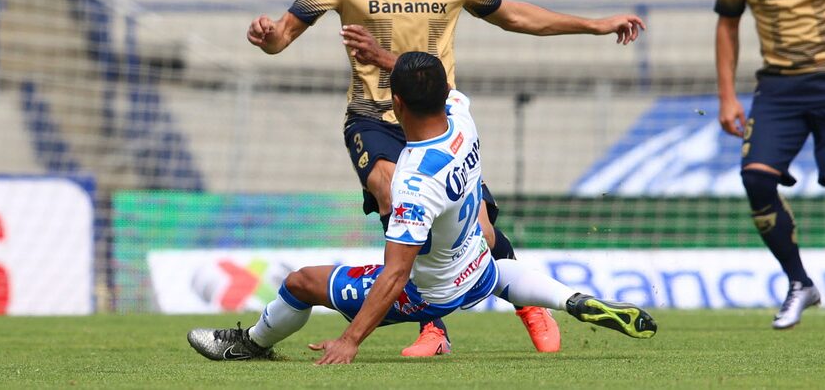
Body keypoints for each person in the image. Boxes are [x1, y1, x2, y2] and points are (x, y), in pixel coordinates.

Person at [246, 0, 646, 356]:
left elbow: (515, 16)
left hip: (439, 120)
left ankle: (528, 303)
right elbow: (284, 33)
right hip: (374, 115)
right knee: (395, 192)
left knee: (482, 230)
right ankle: (434, 327)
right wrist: (270, 39)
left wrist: (595, 26)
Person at [187, 52, 657, 364]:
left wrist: (350, 341)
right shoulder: (461, 118)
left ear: (395, 103)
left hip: (430, 292)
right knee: (499, 271)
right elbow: (439, 84)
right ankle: (571, 300)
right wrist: (388, 59)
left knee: (300, 282)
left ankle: (250, 344)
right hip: (479, 266)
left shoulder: (413, 182)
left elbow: (395, 276)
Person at [714, 0, 823, 329]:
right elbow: (727, 24)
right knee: (756, 178)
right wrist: (726, 96)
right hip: (778, 86)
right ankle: (800, 282)